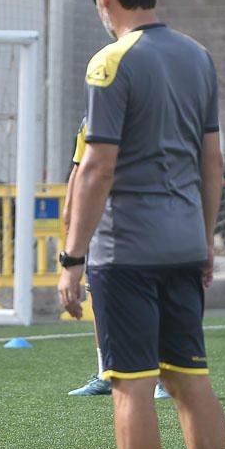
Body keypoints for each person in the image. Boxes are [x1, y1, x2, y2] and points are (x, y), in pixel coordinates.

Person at [58, 0, 225, 449]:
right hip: (184, 242)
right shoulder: (199, 57)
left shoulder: (109, 63)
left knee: (131, 388)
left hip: (126, 250)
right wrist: (206, 238)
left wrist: (71, 257)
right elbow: (212, 161)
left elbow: (97, 167)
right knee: (191, 382)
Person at [64, 118, 171, 400]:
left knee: (150, 297)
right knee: (100, 296)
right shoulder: (92, 118)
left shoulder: (152, 112)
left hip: (146, 216)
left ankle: (162, 377)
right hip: (103, 219)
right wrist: (69, 210)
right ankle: (106, 373)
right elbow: (79, 167)